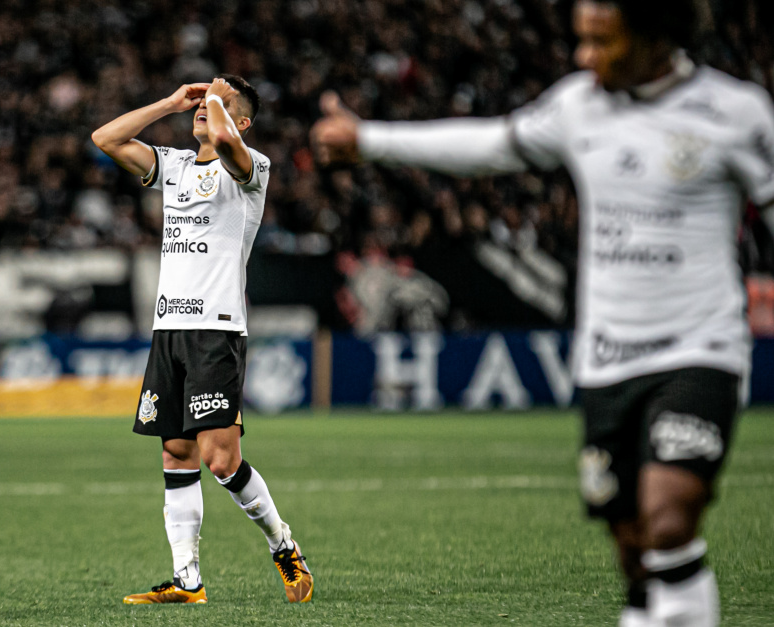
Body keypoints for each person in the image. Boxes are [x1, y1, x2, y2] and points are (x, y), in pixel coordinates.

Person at [311, 1, 774, 625]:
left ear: (653, 33)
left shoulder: (737, 113)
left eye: (600, 43)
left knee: (669, 518)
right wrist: (370, 139)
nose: (584, 58)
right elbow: (491, 144)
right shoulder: (578, 106)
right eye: (580, 41)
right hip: (606, 356)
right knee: (635, 547)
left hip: (699, 346)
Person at [91, 75, 313, 605]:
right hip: (168, 329)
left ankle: (282, 542)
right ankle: (187, 579)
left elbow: (229, 144)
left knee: (221, 460)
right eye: (207, 103)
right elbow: (106, 139)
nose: (204, 110)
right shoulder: (175, 167)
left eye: (223, 105)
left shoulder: (250, 169)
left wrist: (216, 99)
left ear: (240, 121)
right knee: (175, 452)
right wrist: (169, 102)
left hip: (216, 330)